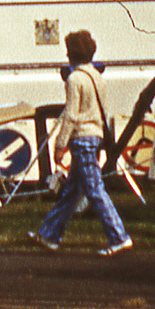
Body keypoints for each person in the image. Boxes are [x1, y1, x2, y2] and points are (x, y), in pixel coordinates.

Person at [34, 29, 132, 256]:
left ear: (72, 54)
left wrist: (60, 144)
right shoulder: (98, 78)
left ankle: (119, 236)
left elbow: (70, 114)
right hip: (96, 134)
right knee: (72, 191)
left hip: (82, 138)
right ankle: (49, 234)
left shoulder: (74, 79)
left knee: (95, 189)